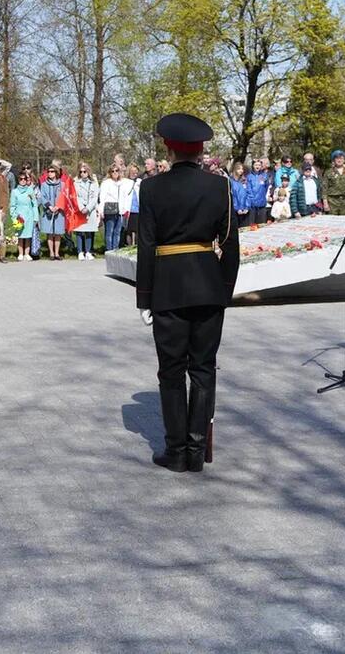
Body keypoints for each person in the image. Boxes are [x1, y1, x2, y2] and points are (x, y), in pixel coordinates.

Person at [136, 112, 240, 473]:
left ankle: (176, 449)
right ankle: (197, 451)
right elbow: (230, 243)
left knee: (171, 371)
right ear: (200, 150)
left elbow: (146, 246)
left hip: (167, 288)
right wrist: (224, 290)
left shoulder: (150, 188)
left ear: (168, 148)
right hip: (209, 287)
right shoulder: (219, 186)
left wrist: (144, 298)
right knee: (204, 369)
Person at [10, 170, 39, 261]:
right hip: (19, 216)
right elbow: (12, 206)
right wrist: (14, 216)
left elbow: (34, 204)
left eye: (25, 179)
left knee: (28, 236)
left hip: (29, 216)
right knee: (20, 235)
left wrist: (35, 217)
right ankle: (20, 253)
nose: (23, 180)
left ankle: (27, 253)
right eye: (21, 179)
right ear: (18, 180)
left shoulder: (30, 190)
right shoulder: (14, 192)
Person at [98, 165, 128, 251]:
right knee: (109, 231)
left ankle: (115, 249)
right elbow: (102, 197)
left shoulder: (123, 183)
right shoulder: (106, 183)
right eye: (113, 171)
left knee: (117, 231)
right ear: (110, 173)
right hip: (109, 209)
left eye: (117, 171)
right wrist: (101, 211)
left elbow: (125, 196)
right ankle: (109, 249)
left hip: (120, 210)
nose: (115, 173)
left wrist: (125, 208)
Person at [39, 165, 66, 260]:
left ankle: (57, 253)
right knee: (49, 232)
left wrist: (58, 206)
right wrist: (49, 206)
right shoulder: (44, 185)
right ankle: (51, 253)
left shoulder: (62, 184)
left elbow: (64, 197)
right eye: (49, 171)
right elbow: (42, 197)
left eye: (52, 171)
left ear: (56, 173)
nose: (50, 173)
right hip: (48, 211)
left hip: (59, 211)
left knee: (58, 233)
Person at [73, 162, 99, 259]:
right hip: (80, 209)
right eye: (81, 172)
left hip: (90, 209)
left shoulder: (94, 182)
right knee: (79, 231)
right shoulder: (76, 182)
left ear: (88, 172)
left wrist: (88, 208)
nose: (83, 173)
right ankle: (80, 251)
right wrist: (81, 208)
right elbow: (75, 196)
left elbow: (95, 197)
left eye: (85, 171)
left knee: (88, 230)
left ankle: (88, 251)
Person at [323, 150, 345, 214]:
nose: (339, 160)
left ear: (344, 160)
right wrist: (325, 203)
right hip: (332, 202)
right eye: (337, 158)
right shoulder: (328, 172)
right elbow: (324, 188)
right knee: (332, 222)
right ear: (334, 160)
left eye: (341, 158)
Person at [246, 159, 271, 224]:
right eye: (256, 165)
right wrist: (252, 200)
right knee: (252, 224)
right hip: (252, 204)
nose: (257, 166)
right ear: (253, 166)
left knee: (262, 224)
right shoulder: (249, 176)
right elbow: (248, 189)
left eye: (259, 165)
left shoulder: (264, 175)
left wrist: (262, 197)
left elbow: (266, 187)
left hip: (262, 203)